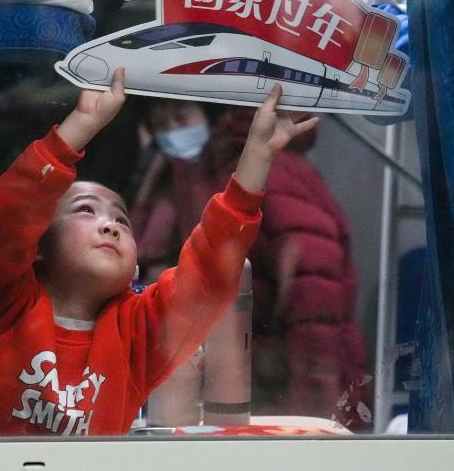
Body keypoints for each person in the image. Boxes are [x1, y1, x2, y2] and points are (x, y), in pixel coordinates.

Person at [0, 69, 318, 436]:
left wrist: (257, 155)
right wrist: (79, 128)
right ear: (38, 245)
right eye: (85, 210)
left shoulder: (136, 335)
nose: (110, 225)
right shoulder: (0, 306)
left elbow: (210, 269)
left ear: (136, 265)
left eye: (122, 220)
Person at [131, 100, 370, 429]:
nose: (173, 131)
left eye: (181, 116)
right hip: (210, 383)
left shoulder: (273, 172)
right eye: (162, 124)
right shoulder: (178, 178)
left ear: (211, 114)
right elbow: (142, 257)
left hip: (278, 383)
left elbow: (314, 286)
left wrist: (315, 402)